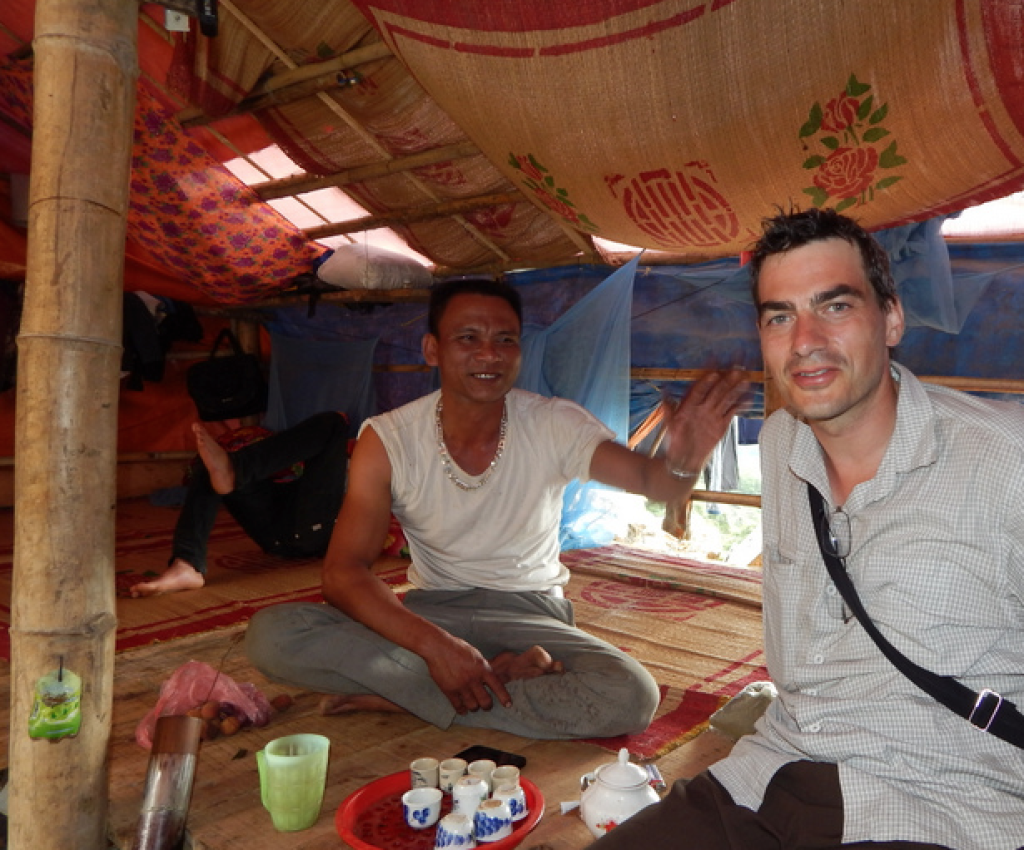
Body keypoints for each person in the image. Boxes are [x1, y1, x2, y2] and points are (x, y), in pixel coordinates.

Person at [587, 208, 1024, 850]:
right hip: (770, 772)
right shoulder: (783, 442)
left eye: (836, 307)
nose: (805, 341)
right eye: (780, 316)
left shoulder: (1004, 462)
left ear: (892, 318)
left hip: (941, 801)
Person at [244, 278, 747, 739]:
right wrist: (437, 648)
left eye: (506, 339)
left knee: (630, 696)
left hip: (529, 613)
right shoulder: (388, 438)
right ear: (431, 349)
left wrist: (687, 456)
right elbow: (343, 574)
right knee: (274, 634)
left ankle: (405, 692)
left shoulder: (553, 424)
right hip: (430, 610)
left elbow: (652, 481)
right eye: (468, 338)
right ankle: (474, 680)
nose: (490, 353)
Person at [130, 410, 350, 596]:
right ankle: (186, 564)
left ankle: (236, 468)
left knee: (334, 424)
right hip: (278, 521)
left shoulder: (375, 454)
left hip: (316, 533)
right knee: (213, 465)